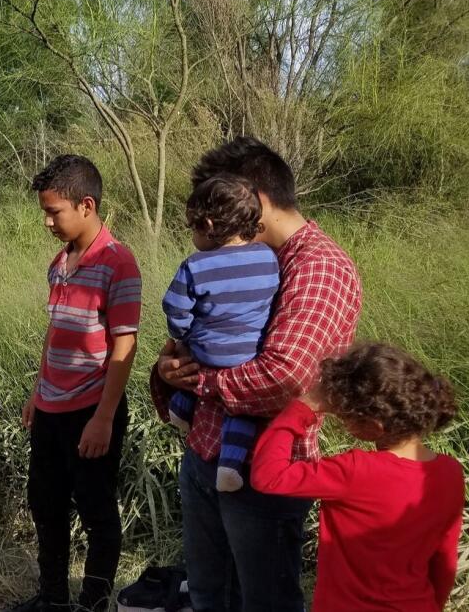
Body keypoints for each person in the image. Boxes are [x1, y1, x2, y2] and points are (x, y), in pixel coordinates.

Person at [151, 136, 363, 612]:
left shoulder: (318, 268)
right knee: (209, 594)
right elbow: (192, 334)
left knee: (262, 602)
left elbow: (285, 378)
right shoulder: (235, 260)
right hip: (206, 452)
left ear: (254, 200)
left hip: (266, 474)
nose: (211, 228)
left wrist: (199, 381)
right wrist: (168, 370)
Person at [9, 154, 142, 612]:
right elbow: (55, 329)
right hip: (50, 407)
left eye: (54, 212)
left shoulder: (118, 263)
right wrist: (36, 391)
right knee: (46, 507)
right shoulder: (60, 262)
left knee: (96, 512)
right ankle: (52, 599)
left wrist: (104, 417)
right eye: (44, 212)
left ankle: (92, 603)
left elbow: (125, 347)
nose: (47, 222)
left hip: (91, 410)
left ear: (86, 205)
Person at [251, 343, 464, 612]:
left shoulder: (356, 470)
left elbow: (268, 476)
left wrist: (304, 407)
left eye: (346, 416)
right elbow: (444, 558)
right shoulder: (450, 473)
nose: (342, 420)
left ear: (374, 427)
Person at [162, 174, 279, 492]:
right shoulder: (270, 258)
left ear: (209, 225)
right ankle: (230, 465)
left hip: (207, 350)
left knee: (192, 355)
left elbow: (174, 306)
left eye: (192, 228)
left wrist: (183, 334)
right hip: (248, 354)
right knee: (241, 408)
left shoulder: (196, 266)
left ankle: (180, 408)